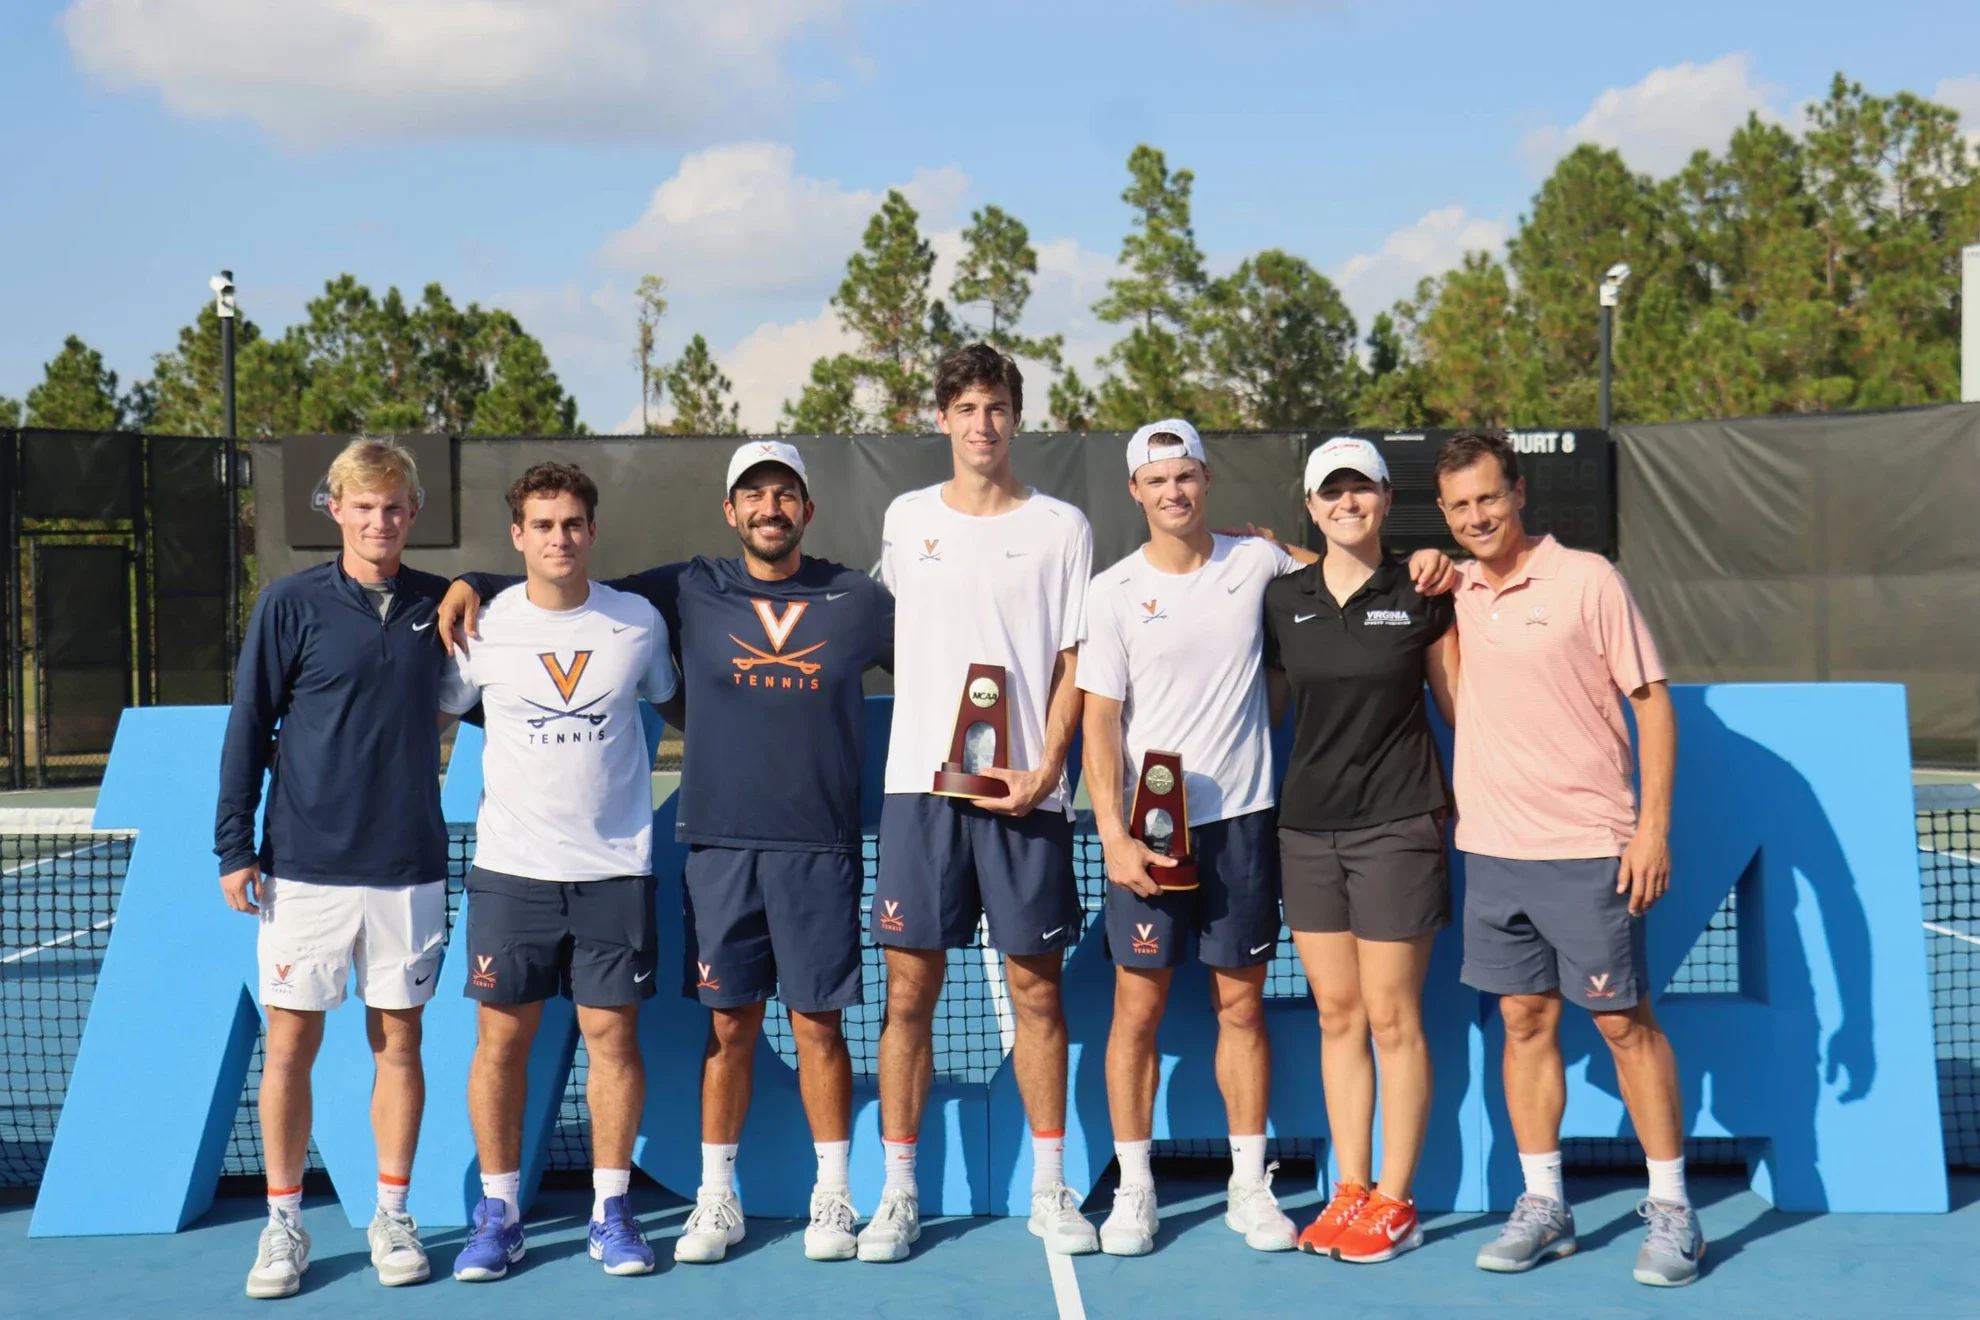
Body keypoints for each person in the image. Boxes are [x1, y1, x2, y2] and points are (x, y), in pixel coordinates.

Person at [438, 440, 892, 1264]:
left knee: (818, 1026)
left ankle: (835, 1196)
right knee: (727, 1028)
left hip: (809, 850)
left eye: (784, 494)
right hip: (707, 850)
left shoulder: (853, 597)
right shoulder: (689, 587)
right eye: (752, 496)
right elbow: (555, 588)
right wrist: (477, 582)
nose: (768, 508)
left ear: (806, 508)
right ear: (729, 512)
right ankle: (711, 1200)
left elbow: (941, 649)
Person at [1433, 431, 1702, 1287]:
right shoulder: (1456, 588)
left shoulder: (1590, 579)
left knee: (1624, 1025)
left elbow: (1652, 706)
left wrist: (1650, 829)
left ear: (1518, 493)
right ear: (1445, 514)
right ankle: (1544, 1204)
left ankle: (1672, 1211)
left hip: (1590, 849)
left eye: (1489, 498)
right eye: (1460, 506)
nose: (1478, 517)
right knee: (1524, 1023)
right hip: (1493, 850)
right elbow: (1346, 561)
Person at [857, 342, 1095, 1262]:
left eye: (996, 407)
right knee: (909, 993)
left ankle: (1049, 1186)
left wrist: (1046, 771)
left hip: (1024, 797)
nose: (982, 423)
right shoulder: (906, 517)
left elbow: (1077, 661)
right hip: (921, 792)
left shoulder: (1063, 527)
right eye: (966, 407)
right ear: (943, 419)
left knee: (1037, 991)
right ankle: (899, 1193)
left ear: (1015, 418)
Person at [215, 438, 450, 1298]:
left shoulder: (441, 604)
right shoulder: (289, 604)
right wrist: (233, 845)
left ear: (412, 515)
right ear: (337, 511)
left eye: (394, 507)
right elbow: (249, 724)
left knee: (400, 1044)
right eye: (364, 506)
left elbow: (513, 600)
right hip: (305, 869)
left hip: (411, 869)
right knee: (290, 1047)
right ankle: (283, 1227)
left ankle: (392, 1214)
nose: (380, 521)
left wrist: (474, 588)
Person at [440, 463, 678, 1283]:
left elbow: (667, 695)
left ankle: (612, 1211)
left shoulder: (637, 622)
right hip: (511, 873)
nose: (559, 538)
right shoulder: (482, 626)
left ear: (592, 530)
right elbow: (431, 709)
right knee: (501, 1041)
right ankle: (498, 1214)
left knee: (614, 1039)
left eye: (572, 523)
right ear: (518, 537)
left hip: (616, 872)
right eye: (542, 525)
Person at [1079, 419, 1306, 1257]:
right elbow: (1099, 724)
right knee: (1136, 1010)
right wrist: (1113, 834)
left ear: (1207, 481)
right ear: (1136, 492)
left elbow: (1342, 583)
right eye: (1157, 480)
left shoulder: (1256, 564)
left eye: (1187, 476)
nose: (1174, 491)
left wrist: (1285, 544)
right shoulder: (1110, 592)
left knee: (1240, 1007)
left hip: (1243, 825)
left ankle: (1250, 1187)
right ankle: (1134, 1191)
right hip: (1148, 835)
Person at [1262, 436, 1458, 1265]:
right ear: (1311, 507)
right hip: (1306, 830)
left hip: (1398, 826)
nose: (1347, 502)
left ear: (1385, 499)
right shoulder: (1282, 599)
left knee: (1391, 1016)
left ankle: (1395, 1200)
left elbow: (1461, 711)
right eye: (1330, 492)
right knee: (1338, 1016)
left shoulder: (1421, 592)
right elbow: (1259, 706)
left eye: (1362, 489)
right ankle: (1350, 1187)